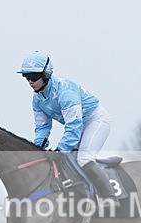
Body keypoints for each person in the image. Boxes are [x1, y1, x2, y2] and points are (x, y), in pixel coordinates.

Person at [17, 50, 119, 209]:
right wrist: (37, 149)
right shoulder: (37, 99)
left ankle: (110, 197)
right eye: (26, 77)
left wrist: (60, 149)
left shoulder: (65, 91)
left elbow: (74, 125)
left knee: (84, 158)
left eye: (34, 77)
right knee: (66, 161)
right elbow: (42, 128)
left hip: (95, 120)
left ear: (46, 74)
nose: (30, 81)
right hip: (78, 125)